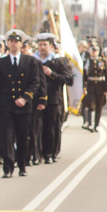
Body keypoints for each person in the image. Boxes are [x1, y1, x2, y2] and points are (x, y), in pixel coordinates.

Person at [0, 30, 41, 176]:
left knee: (23, 137)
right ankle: (8, 168)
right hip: (7, 105)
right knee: (7, 137)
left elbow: (35, 82)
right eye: (11, 41)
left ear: (21, 44)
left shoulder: (30, 61)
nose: (13, 44)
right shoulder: (1, 62)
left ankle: (22, 166)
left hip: (24, 107)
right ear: (7, 43)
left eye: (16, 41)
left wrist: (25, 98)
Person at [34, 33, 73, 161]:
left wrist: (52, 74)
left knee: (52, 127)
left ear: (51, 46)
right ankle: (37, 154)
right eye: (40, 45)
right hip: (37, 100)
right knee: (37, 128)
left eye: (45, 45)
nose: (42, 47)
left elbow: (69, 79)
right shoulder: (34, 60)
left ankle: (50, 153)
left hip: (54, 100)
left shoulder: (58, 60)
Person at [82, 43, 107, 132]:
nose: (94, 53)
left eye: (96, 51)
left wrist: (106, 88)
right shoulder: (87, 62)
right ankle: (90, 123)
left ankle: (96, 124)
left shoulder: (103, 61)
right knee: (90, 104)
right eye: (92, 51)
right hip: (90, 86)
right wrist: (84, 87)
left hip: (100, 86)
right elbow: (84, 76)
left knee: (99, 105)